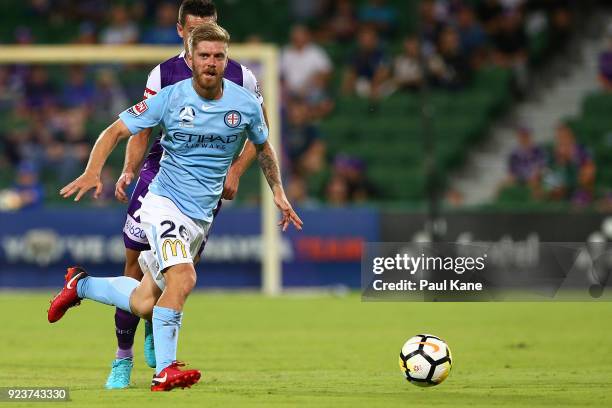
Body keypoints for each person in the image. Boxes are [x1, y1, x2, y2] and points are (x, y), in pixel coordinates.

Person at [48, 22, 303, 392]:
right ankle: (164, 369)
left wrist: (278, 192)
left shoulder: (245, 103)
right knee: (184, 278)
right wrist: (93, 171)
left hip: (200, 215)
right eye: (204, 56)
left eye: (218, 56)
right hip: (164, 204)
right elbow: (115, 130)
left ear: (226, 59)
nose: (212, 63)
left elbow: (263, 148)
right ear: (191, 57)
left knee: (144, 301)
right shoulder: (170, 96)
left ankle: (80, 285)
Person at [98, 0, 268, 390]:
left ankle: (150, 323)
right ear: (181, 35)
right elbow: (140, 129)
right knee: (137, 264)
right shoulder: (164, 74)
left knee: (161, 285)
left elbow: (261, 134)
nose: (203, 41)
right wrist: (127, 169)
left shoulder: (242, 76)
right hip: (159, 177)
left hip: (204, 190)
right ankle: (124, 358)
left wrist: (236, 172)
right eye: (194, 33)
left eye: (209, 30)